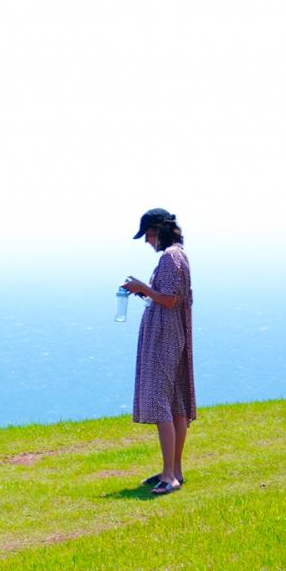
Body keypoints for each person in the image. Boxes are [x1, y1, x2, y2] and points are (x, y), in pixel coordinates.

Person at [120, 208, 194, 495]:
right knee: (174, 403)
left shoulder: (169, 257)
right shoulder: (179, 255)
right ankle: (174, 470)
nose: (147, 241)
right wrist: (146, 291)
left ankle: (169, 476)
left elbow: (170, 299)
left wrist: (144, 289)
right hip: (173, 334)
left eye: (149, 234)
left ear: (159, 231)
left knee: (160, 402)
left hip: (165, 337)